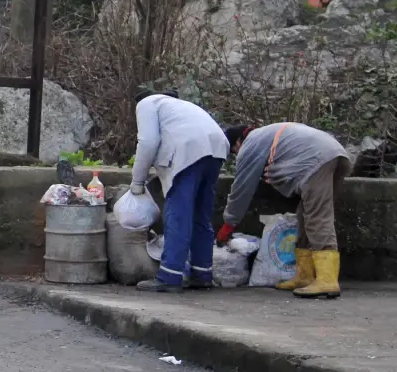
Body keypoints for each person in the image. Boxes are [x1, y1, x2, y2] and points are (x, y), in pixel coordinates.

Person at [219, 123, 350, 299]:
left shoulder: (250, 145)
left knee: (318, 217)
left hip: (318, 160)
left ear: (238, 142)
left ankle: (327, 280)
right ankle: (305, 276)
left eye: (234, 151)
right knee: (306, 216)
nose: (236, 155)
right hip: (332, 154)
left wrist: (229, 222)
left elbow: (241, 188)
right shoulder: (265, 136)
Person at [131, 88, 229, 293]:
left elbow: (148, 142)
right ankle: (202, 274)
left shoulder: (146, 103)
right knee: (201, 215)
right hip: (217, 147)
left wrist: (137, 181)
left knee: (179, 215)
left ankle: (169, 275)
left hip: (189, 149)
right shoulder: (180, 106)